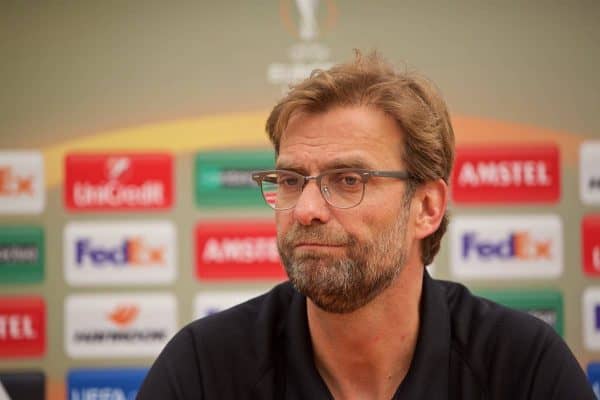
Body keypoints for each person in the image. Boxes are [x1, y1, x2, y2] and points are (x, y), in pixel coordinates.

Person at [137, 51, 594, 399]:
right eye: (292, 180)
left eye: (348, 179)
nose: (306, 209)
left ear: (427, 207)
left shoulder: (523, 368)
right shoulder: (203, 370)